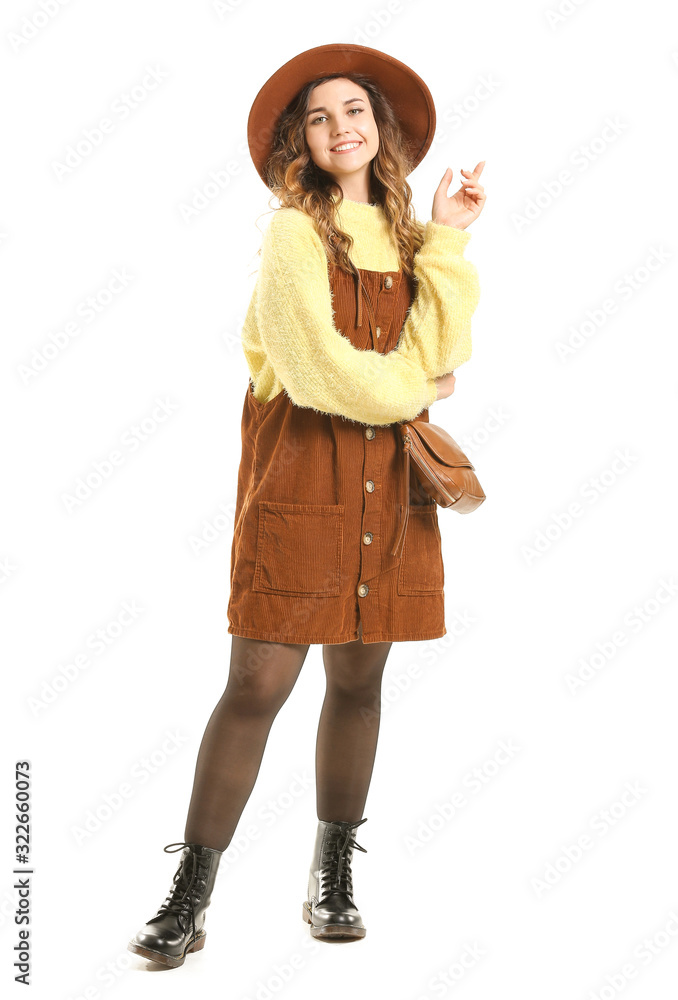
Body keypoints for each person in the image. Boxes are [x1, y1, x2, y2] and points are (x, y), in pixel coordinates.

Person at [128, 42, 485, 968]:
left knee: (360, 683)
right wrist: (415, 388)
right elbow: (316, 369)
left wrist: (447, 232)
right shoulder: (293, 233)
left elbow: (449, 345)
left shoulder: (408, 239)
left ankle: (334, 876)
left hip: (388, 492)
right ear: (301, 138)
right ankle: (189, 893)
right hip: (302, 487)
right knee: (257, 685)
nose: (340, 129)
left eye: (354, 112)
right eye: (320, 117)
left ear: (381, 129)